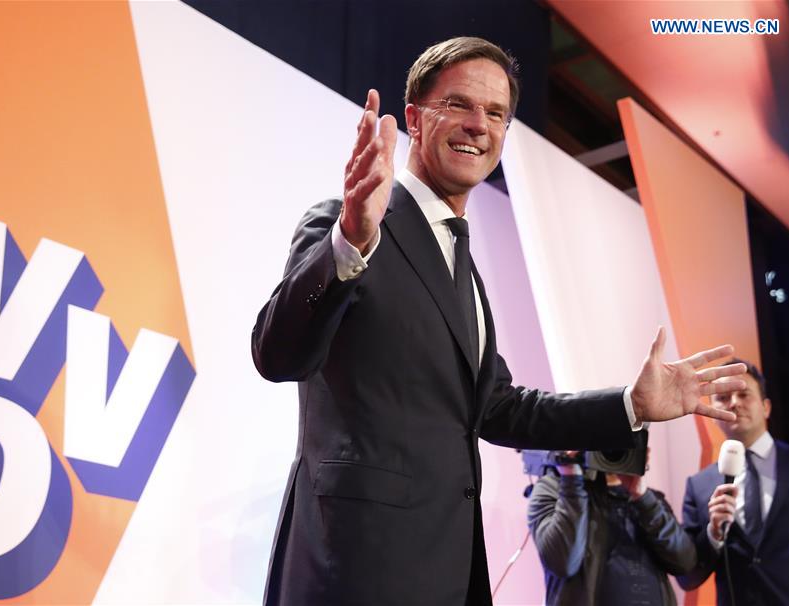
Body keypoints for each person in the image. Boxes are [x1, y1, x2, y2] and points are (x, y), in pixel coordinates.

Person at [252, 36, 744, 606]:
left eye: (495, 113)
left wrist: (631, 404)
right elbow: (278, 353)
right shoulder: (349, 225)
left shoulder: (463, 267)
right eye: (458, 104)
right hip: (356, 570)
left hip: (450, 572)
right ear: (413, 117)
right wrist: (349, 244)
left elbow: (500, 408)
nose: (478, 126)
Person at [676, 359, 789, 605]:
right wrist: (713, 534)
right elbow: (688, 576)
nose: (734, 403)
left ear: (766, 407)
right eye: (723, 398)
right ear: (713, 414)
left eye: (743, 394)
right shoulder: (699, 485)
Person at [527, 446, 696, 606]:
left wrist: (642, 496)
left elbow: (684, 562)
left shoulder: (647, 499)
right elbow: (564, 562)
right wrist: (571, 481)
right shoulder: (553, 490)